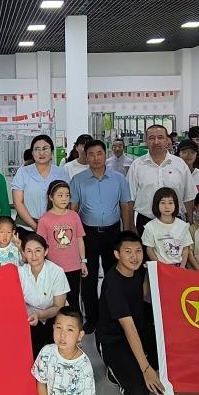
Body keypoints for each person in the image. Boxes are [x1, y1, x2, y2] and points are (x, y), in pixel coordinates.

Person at [69, 139, 133, 333]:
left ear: (106, 155)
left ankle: (111, 315)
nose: (96, 158)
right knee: (88, 277)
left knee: (113, 276)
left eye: (99, 153)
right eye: (91, 154)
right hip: (87, 234)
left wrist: (126, 233)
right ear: (85, 156)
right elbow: (73, 209)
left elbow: (125, 205)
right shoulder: (78, 180)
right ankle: (92, 318)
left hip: (113, 232)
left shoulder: (119, 179)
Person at [97, 231, 163, 395]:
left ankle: (139, 361)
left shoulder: (136, 270)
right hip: (113, 340)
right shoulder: (113, 285)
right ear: (117, 254)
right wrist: (146, 369)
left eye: (138, 251)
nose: (134, 256)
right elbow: (129, 328)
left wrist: (151, 272)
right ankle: (113, 372)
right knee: (140, 393)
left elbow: (142, 293)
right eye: (128, 252)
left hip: (138, 329)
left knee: (167, 361)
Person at [128, 124, 196, 233]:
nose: (156, 142)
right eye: (151, 138)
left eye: (160, 137)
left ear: (167, 140)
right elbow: (130, 199)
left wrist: (190, 222)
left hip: (176, 223)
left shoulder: (180, 164)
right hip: (146, 222)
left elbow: (188, 196)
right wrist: (131, 225)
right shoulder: (137, 166)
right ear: (146, 141)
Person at [37, 180, 88, 312]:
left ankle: (76, 323)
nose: (64, 198)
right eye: (60, 195)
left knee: (74, 300)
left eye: (67, 195)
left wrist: (83, 261)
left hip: (74, 267)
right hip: (54, 269)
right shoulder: (44, 220)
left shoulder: (74, 216)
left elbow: (79, 239)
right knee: (55, 302)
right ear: (51, 197)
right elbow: (41, 246)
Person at [18, 233, 70, 355]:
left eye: (38, 250)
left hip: (55, 315)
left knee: (57, 350)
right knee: (31, 350)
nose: (34, 256)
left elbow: (59, 306)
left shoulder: (56, 272)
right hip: (31, 317)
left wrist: (40, 315)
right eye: (29, 251)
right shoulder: (20, 272)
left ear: (45, 251)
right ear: (23, 253)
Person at [12, 134, 69, 232]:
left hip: (55, 227)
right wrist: (35, 226)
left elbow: (67, 200)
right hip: (26, 227)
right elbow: (18, 202)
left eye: (45, 148)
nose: (41, 152)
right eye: (37, 149)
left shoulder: (61, 173)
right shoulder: (23, 172)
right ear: (32, 153)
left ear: (51, 151)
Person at [142, 188, 195, 267]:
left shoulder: (182, 225)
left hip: (179, 267)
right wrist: (160, 266)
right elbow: (149, 249)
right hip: (160, 267)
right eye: (163, 203)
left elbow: (185, 248)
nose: (167, 206)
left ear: (175, 205)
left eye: (170, 203)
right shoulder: (150, 226)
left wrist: (182, 267)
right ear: (157, 205)